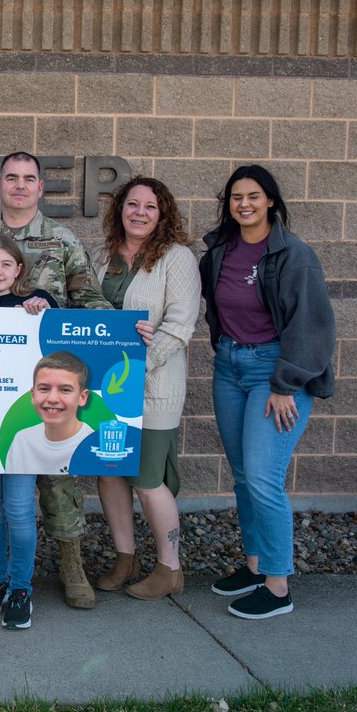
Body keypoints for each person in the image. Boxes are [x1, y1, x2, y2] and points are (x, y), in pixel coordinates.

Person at [0, 152, 112, 609]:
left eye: (30, 179)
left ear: (41, 188)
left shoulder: (61, 240)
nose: (20, 186)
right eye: (12, 178)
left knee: (58, 478)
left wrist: (122, 335)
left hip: (50, 377)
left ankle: (71, 564)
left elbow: (90, 298)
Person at [200, 165, 335, 620]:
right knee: (242, 474)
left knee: (263, 476)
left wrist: (284, 383)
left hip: (275, 372)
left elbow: (312, 327)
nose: (244, 204)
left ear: (271, 201)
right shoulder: (219, 251)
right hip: (229, 367)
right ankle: (255, 566)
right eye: (236, 197)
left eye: (253, 196)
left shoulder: (294, 255)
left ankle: (278, 587)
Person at [90, 177, 199, 601]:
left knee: (147, 477)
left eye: (149, 206)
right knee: (109, 472)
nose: (139, 212)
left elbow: (180, 325)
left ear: (162, 213)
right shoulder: (102, 255)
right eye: (132, 204)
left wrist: (135, 368)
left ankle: (169, 567)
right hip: (104, 388)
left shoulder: (177, 258)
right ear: (120, 209)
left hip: (153, 387)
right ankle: (125, 557)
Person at [0, 236, 57, 629]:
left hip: (23, 428)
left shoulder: (34, 303)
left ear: (18, 270)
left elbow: (60, 334)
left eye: (6, 265)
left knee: (18, 508)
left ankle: (21, 588)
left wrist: (43, 309)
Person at [5, 352, 95, 474]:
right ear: (33, 394)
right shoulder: (22, 440)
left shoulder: (94, 446)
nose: (53, 399)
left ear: (82, 397)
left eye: (65, 390)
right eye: (44, 388)